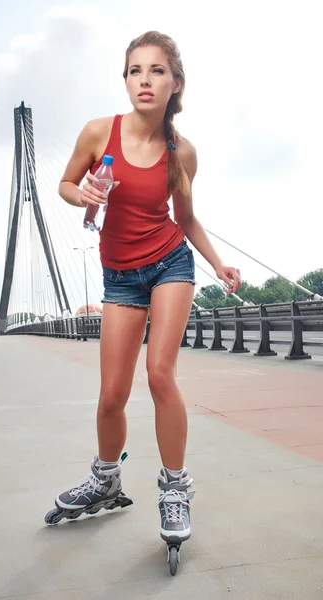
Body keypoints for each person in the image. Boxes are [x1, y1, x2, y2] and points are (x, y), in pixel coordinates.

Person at [46, 31, 241, 545]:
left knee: (158, 375)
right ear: (126, 80)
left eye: (156, 70)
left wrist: (219, 264)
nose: (144, 80)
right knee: (111, 395)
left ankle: (175, 488)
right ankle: (105, 480)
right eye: (135, 70)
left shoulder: (182, 152)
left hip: (169, 264)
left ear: (175, 82)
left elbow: (188, 220)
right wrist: (80, 191)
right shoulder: (97, 132)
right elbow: (66, 186)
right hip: (120, 276)